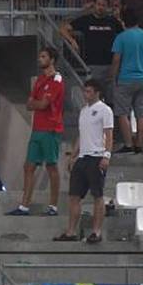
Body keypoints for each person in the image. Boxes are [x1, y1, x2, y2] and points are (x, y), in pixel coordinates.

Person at [9, 48, 65, 216]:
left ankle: (53, 206)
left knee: (51, 166)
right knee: (29, 166)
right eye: (39, 56)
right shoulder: (40, 79)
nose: (40, 59)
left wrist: (36, 103)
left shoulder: (57, 79)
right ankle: (24, 205)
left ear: (52, 60)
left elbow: (42, 105)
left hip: (51, 128)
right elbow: (29, 104)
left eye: (43, 57)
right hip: (37, 128)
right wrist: (36, 103)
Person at [55, 80, 113, 244]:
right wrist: (73, 155)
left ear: (96, 93)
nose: (85, 94)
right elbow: (81, 135)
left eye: (88, 91)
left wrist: (106, 155)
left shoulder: (105, 110)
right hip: (83, 157)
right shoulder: (83, 111)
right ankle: (71, 231)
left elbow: (108, 134)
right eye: (84, 91)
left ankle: (96, 231)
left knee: (97, 195)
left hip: (96, 155)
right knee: (74, 195)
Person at [110, 8, 143, 155]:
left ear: (123, 21)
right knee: (142, 114)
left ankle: (128, 144)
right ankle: (140, 145)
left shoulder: (121, 37)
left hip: (125, 79)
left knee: (123, 113)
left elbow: (116, 60)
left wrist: (113, 77)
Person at [59, 0, 122, 90]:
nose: (100, 7)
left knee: (110, 99)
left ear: (107, 7)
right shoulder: (86, 20)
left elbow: (125, 33)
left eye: (103, 5)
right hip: (91, 64)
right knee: (92, 98)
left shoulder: (112, 21)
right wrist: (72, 41)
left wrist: (119, 18)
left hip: (109, 65)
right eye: (98, 4)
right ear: (94, 5)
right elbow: (63, 29)